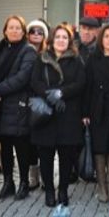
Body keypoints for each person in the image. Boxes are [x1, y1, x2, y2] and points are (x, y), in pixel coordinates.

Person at [30, 23, 86, 207]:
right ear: (52, 40)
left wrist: (62, 93)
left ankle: (63, 190)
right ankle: (49, 191)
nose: (61, 40)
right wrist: (50, 95)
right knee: (45, 155)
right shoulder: (42, 59)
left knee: (66, 156)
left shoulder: (76, 60)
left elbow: (80, 83)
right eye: (58, 37)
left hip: (68, 114)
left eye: (65, 37)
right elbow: (35, 81)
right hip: (47, 113)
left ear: (69, 41)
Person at [0, 15, 38, 200]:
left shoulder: (28, 51)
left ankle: (24, 183)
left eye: (18, 28)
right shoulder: (0, 49)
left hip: (19, 106)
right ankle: (8, 182)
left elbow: (21, 79)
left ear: (23, 32)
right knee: (4, 147)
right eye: (11, 27)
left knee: (22, 147)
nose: (14, 31)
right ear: (5, 30)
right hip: (0, 106)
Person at [83, 24, 109, 203]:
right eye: (106, 36)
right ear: (101, 39)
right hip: (98, 109)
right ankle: (102, 187)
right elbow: (87, 86)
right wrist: (85, 112)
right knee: (99, 149)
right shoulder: (93, 59)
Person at [24, 19, 49, 191]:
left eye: (40, 32)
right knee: (29, 141)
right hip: (25, 100)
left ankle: (45, 176)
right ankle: (33, 175)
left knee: (44, 142)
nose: (36, 35)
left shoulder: (48, 53)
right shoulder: (23, 51)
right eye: (33, 31)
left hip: (43, 101)